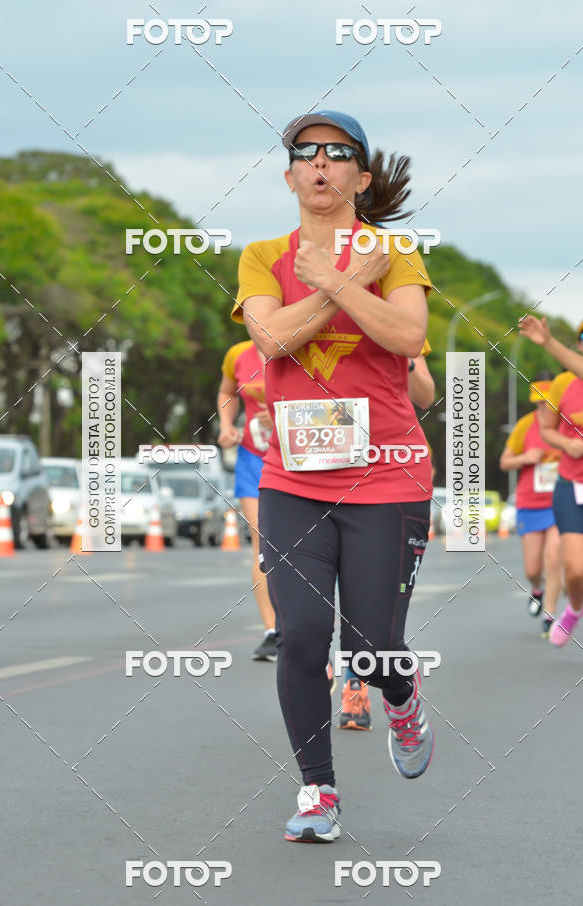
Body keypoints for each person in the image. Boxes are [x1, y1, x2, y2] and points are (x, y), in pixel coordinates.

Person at [231, 109, 434, 842]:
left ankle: (402, 701)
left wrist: (345, 281)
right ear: (290, 177)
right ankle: (319, 792)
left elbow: (409, 337)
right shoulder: (262, 255)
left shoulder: (396, 252)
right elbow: (271, 336)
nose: (321, 163)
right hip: (294, 479)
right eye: (306, 153)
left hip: (389, 477)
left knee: (372, 648)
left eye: (338, 152)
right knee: (304, 634)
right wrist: (342, 282)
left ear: (361, 175)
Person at [339, 341, 435, 730]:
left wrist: (399, 350)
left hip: (387, 473)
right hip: (311, 470)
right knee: (308, 616)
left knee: (363, 608)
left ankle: (370, 685)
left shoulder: (397, 315)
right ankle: (354, 692)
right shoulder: (292, 309)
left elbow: (425, 395)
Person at [519, 317, 583, 645]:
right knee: (573, 569)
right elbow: (546, 431)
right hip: (570, 486)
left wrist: (547, 343)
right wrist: (567, 444)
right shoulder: (562, 385)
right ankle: (572, 609)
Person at [217, 340, 277, 660]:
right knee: (264, 543)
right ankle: (272, 632)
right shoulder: (237, 353)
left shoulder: (305, 346)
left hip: (298, 458)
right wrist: (227, 426)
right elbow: (227, 393)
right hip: (253, 459)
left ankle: (305, 625)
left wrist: (282, 414)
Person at [499, 373, 562, 638]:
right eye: (538, 403)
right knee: (533, 568)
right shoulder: (525, 426)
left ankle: (549, 616)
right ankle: (537, 589)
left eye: (548, 403)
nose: (543, 408)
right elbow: (504, 463)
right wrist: (525, 457)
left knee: (554, 559)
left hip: (560, 503)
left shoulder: (568, 425)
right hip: (530, 504)